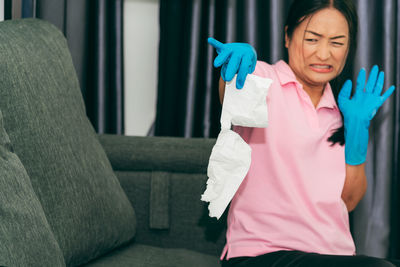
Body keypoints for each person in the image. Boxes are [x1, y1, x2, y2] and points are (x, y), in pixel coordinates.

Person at [208, 0, 399, 266]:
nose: (324, 54)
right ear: (287, 36)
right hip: (262, 253)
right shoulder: (264, 80)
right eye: (312, 39)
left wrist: (356, 133)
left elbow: (349, 201)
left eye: (337, 42)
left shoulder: (344, 109)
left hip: (333, 255)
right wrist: (236, 70)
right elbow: (229, 93)